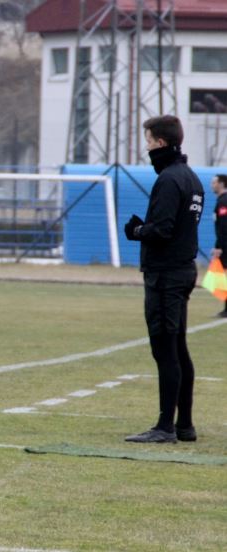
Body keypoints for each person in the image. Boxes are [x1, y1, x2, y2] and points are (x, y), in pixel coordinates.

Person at [123, 115, 204, 444]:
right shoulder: (191, 178)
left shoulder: (169, 179)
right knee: (178, 348)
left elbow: (163, 229)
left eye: (148, 140)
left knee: (165, 349)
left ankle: (165, 427)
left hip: (166, 275)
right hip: (182, 270)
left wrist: (137, 231)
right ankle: (184, 425)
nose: (146, 147)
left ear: (160, 142)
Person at [210, 173, 227, 317]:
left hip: (225, 245)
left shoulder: (223, 201)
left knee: (221, 277)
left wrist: (219, 246)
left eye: (214, 182)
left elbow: (224, 225)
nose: (212, 185)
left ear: (221, 184)